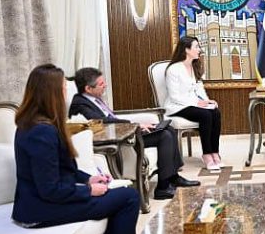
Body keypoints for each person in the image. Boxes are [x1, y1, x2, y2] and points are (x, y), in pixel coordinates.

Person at [12, 64, 140, 234]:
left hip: (47, 199)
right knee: (129, 197)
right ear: (52, 93)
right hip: (40, 209)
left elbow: (62, 170)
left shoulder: (37, 123)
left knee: (120, 195)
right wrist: (89, 191)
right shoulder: (40, 132)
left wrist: (88, 179)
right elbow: (50, 189)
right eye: (64, 88)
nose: (66, 93)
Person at [69, 67, 199, 200]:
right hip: (118, 139)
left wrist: (137, 125)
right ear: (88, 89)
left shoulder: (93, 98)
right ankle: (163, 188)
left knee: (168, 129)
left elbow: (110, 117)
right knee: (164, 136)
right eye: (101, 84)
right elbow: (101, 121)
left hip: (123, 132)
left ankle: (173, 177)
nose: (105, 86)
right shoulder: (79, 104)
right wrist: (135, 125)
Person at [164, 36, 223, 172]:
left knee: (215, 112)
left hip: (193, 104)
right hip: (178, 106)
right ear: (186, 49)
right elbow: (175, 96)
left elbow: (199, 89)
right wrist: (197, 103)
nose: (199, 50)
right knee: (205, 115)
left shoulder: (194, 66)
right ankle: (207, 155)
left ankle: (215, 152)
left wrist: (207, 101)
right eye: (196, 47)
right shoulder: (173, 69)